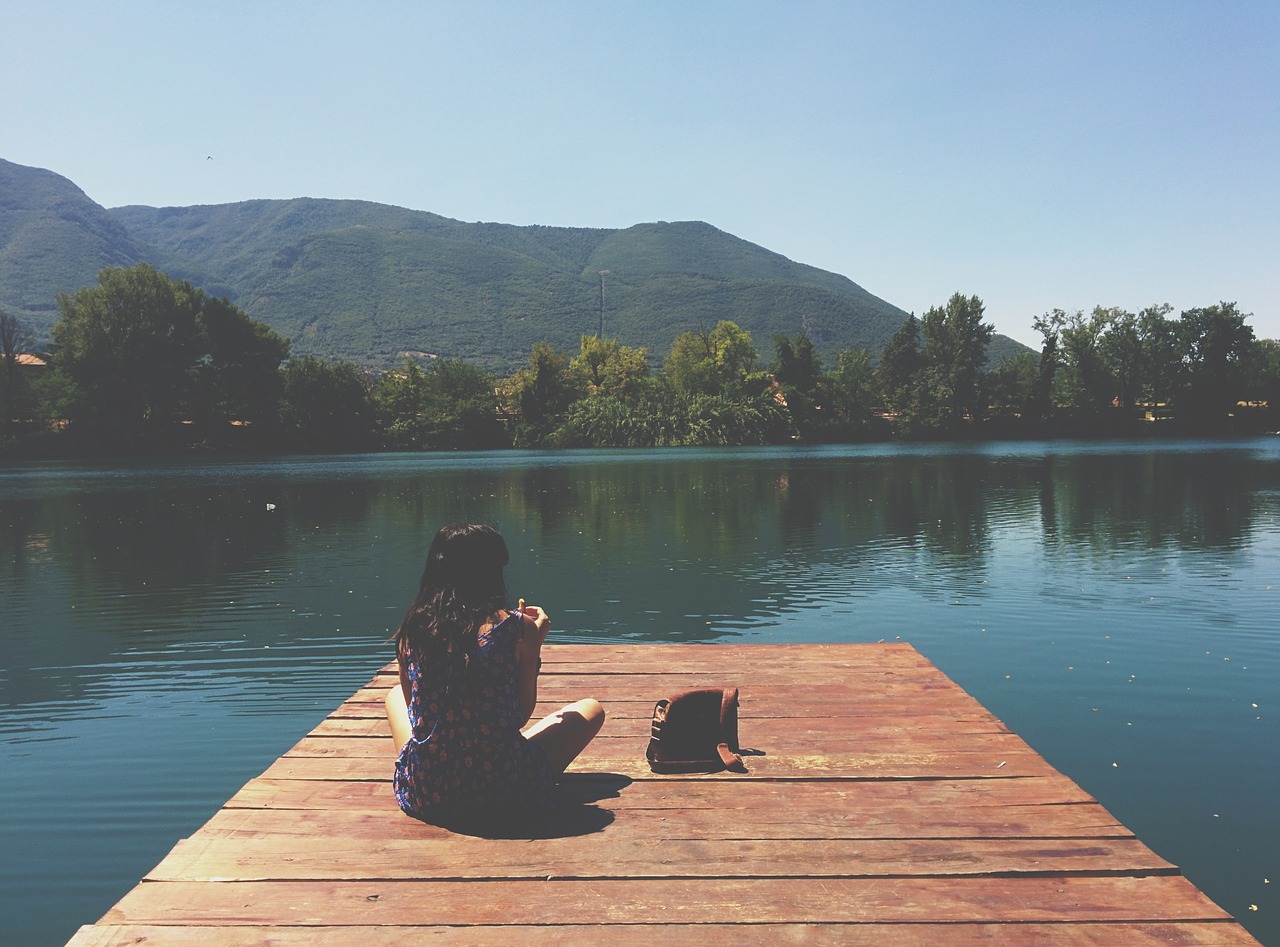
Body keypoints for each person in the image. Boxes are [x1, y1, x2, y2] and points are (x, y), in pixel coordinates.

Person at [385, 523, 604, 823]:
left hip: (430, 793)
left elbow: (415, 715)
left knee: (395, 696)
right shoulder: (515, 628)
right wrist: (534, 644)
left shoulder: (414, 629)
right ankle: (495, 750)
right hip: (507, 789)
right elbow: (521, 714)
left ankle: (435, 764)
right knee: (591, 710)